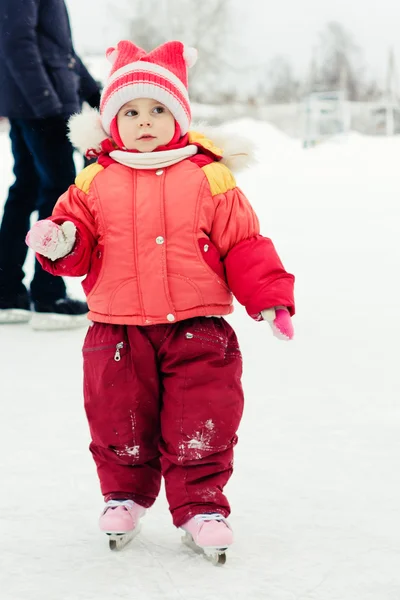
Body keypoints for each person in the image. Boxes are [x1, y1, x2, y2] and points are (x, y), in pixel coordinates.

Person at [26, 40, 295, 559]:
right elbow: (75, 242)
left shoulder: (209, 177)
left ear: (179, 118)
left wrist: (270, 297)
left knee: (204, 417)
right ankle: (123, 495)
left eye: (158, 109)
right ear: (111, 120)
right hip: (117, 330)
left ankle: (202, 504)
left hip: (198, 328)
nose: (144, 121)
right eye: (131, 111)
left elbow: (243, 242)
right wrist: (59, 241)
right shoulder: (92, 181)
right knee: (116, 418)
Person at [0, 0, 101, 329]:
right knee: (58, 193)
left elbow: (62, 52)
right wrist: (46, 103)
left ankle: (6, 292)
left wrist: (97, 93)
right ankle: (48, 293)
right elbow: (16, 41)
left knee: (26, 190)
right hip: (41, 106)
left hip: (34, 104)